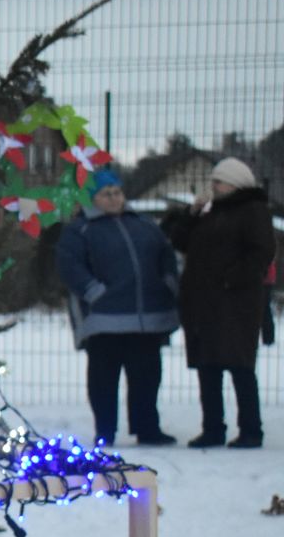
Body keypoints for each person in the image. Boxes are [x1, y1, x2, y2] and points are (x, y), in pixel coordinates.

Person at [55, 167, 180, 447]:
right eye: (105, 194)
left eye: (117, 192)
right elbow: (69, 265)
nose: (113, 199)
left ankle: (148, 428)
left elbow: (166, 256)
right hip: (104, 318)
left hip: (148, 317)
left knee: (147, 377)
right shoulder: (80, 229)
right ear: (91, 198)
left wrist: (168, 284)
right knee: (103, 379)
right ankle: (106, 431)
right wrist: (94, 291)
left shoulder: (145, 225)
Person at [162, 156, 277, 448]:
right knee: (207, 367)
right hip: (203, 303)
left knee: (240, 367)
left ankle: (251, 430)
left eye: (219, 180)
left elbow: (261, 252)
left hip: (236, 304)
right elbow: (180, 241)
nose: (213, 185)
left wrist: (231, 280)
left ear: (236, 182)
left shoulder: (253, 210)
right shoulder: (210, 212)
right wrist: (192, 213)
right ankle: (213, 428)